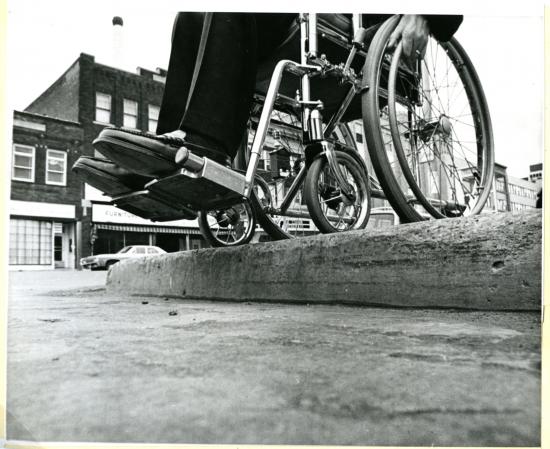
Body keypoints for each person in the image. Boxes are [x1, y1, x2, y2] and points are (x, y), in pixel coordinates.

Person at [73, 12, 463, 197]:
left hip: (358, 43)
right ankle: (166, 157)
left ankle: (205, 146)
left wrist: (426, 12)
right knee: (189, 17)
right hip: (307, 26)